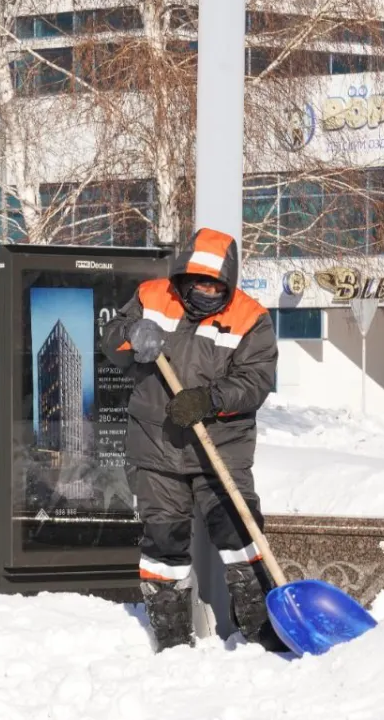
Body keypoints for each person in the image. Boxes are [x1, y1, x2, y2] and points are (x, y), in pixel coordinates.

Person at [100, 227, 282, 652]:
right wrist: (131, 336)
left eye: (213, 283)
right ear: (183, 276)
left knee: (240, 535)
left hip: (220, 447)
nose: (204, 289)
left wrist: (210, 400)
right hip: (155, 445)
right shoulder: (152, 296)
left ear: (227, 284)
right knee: (163, 541)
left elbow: (256, 380)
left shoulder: (251, 317)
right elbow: (113, 339)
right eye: (196, 280)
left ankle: (259, 630)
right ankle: (172, 638)